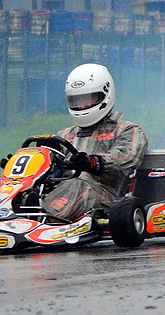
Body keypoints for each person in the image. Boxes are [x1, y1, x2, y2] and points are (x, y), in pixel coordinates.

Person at [39, 63, 148, 222]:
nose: (82, 105)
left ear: (105, 96)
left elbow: (126, 159)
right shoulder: (64, 135)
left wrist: (93, 163)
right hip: (61, 192)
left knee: (77, 186)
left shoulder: (127, 130)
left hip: (107, 199)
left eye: (88, 99)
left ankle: (44, 219)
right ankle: (1, 214)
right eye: (77, 100)